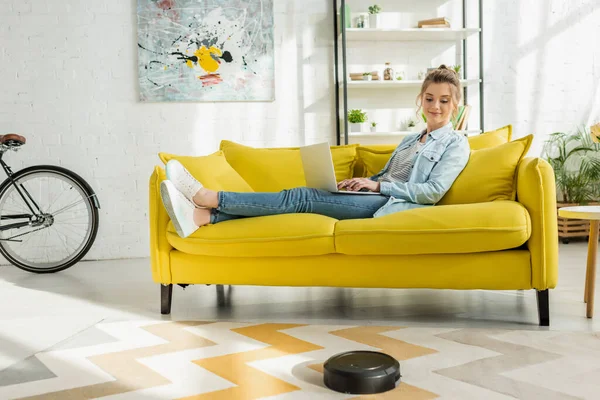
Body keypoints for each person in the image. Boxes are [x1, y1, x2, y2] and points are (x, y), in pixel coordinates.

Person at [160, 65, 470, 238]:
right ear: (421, 100)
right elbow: (386, 176)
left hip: (389, 205)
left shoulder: (456, 142)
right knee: (302, 198)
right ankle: (203, 218)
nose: (436, 106)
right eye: (429, 98)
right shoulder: (411, 140)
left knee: (300, 197)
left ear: (455, 104)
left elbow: (433, 191)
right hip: (373, 196)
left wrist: (377, 186)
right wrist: (361, 182)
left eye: (444, 100)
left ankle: (209, 198)